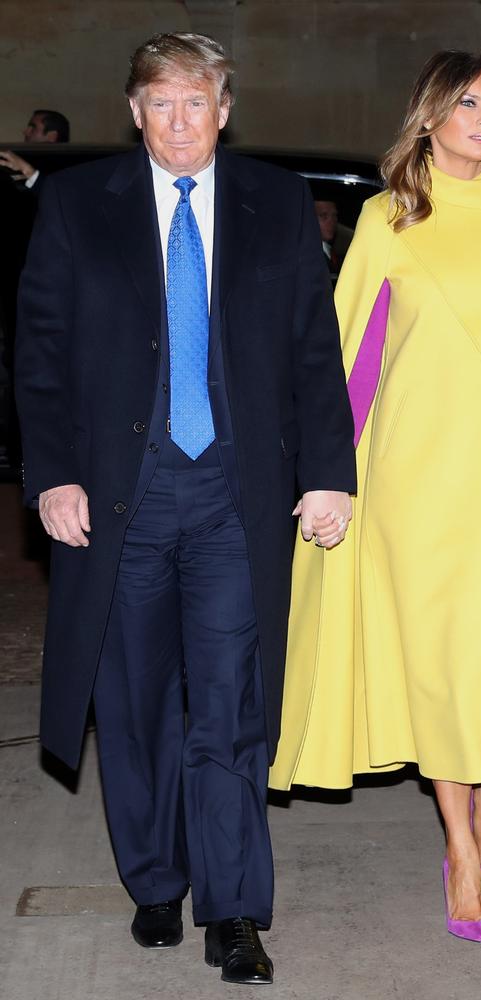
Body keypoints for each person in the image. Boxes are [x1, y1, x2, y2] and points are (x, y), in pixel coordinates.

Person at [15, 32, 355, 985]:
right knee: (131, 705)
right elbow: (38, 355)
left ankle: (235, 907)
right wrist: (52, 475)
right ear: (133, 111)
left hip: (233, 496)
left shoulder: (278, 203)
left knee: (230, 710)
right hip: (121, 495)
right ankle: (157, 878)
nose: (178, 122)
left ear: (224, 109)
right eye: (160, 104)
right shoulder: (79, 205)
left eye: (196, 103)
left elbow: (311, 350)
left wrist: (328, 473)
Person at [270, 50, 481, 944]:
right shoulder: (389, 218)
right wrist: (332, 476)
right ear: (429, 115)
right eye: (468, 103)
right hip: (415, 481)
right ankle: (461, 844)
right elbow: (359, 364)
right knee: (443, 664)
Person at [0, 109, 70, 190]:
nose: (25, 132)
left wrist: (28, 171)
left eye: (33, 127)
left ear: (52, 136)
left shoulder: (66, 166)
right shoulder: (24, 158)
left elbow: (58, 194)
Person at [315, 198, 343, 275]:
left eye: (334, 215)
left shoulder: (334, 253)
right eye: (323, 216)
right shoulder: (311, 258)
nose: (332, 222)